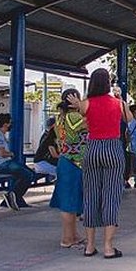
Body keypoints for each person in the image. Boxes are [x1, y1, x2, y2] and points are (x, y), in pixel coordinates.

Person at [67, 68, 133, 258]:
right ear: (108, 84)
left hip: (93, 148)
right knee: (111, 195)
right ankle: (108, 247)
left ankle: (89, 246)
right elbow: (130, 120)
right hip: (113, 148)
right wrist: (121, 99)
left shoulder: (86, 104)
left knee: (91, 195)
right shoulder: (118, 104)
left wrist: (78, 104)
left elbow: (81, 118)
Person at [49, 89, 86, 249]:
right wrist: (84, 106)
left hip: (65, 161)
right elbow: (91, 122)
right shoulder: (74, 117)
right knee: (69, 203)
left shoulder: (60, 118)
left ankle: (73, 235)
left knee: (70, 202)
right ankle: (66, 238)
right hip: (74, 163)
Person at [0, 113, 35, 210]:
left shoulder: (1, 135)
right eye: (10, 123)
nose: (11, 125)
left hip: (5, 163)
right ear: (5, 124)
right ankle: (12, 196)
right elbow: (2, 153)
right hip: (0, 164)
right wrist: (11, 154)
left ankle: (15, 197)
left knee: (31, 173)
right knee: (27, 175)